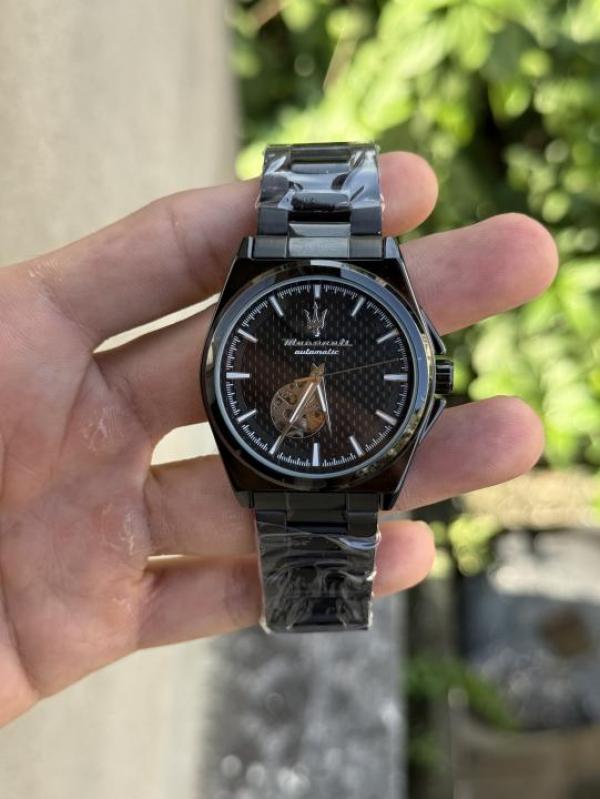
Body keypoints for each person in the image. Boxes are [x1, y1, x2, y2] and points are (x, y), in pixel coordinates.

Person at [0, 151, 557, 726]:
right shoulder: (312, 323)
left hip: (311, 451)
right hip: (289, 451)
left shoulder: (362, 303)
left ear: (430, 376)